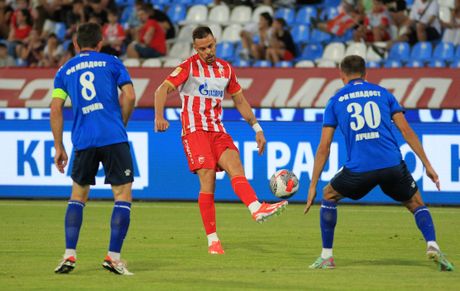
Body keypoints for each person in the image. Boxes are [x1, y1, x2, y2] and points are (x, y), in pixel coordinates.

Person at [304, 55, 454, 272]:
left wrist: (312, 185)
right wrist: (427, 165)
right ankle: (433, 245)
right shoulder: (383, 94)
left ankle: (327, 256)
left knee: (329, 194)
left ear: (341, 74)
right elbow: (406, 131)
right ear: (366, 73)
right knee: (416, 203)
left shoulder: (335, 101)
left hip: (359, 169)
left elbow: (324, 146)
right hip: (392, 164)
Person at [154, 26, 288, 255]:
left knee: (235, 165)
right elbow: (161, 90)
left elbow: (240, 101)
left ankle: (256, 209)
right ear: (195, 49)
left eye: (211, 46)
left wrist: (257, 128)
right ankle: (213, 241)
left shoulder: (226, 69)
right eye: (203, 48)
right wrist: (159, 116)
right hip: (194, 130)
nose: (208, 51)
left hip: (217, 130)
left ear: (215, 42)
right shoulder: (188, 67)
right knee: (208, 180)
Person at [50, 22, 136, 275]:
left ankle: (69, 255)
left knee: (77, 196)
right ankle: (113, 257)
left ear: (76, 45)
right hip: (113, 137)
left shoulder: (65, 70)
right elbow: (130, 96)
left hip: (83, 140)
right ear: (100, 43)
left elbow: (55, 107)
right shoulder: (112, 62)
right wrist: (122, 123)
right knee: (122, 195)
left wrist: (59, 146)